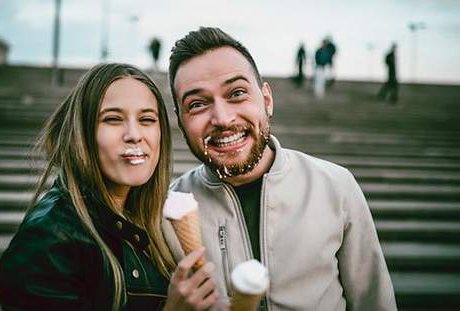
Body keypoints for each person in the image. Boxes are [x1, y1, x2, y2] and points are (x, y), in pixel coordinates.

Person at [163, 27, 397, 310]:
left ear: (267, 100)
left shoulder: (336, 186)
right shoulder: (166, 212)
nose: (223, 118)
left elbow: (374, 302)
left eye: (237, 93)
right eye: (197, 104)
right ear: (179, 119)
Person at [0, 63, 219, 310]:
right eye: (112, 119)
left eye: (146, 119)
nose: (134, 134)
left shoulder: (149, 222)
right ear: (83, 132)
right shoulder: (48, 242)